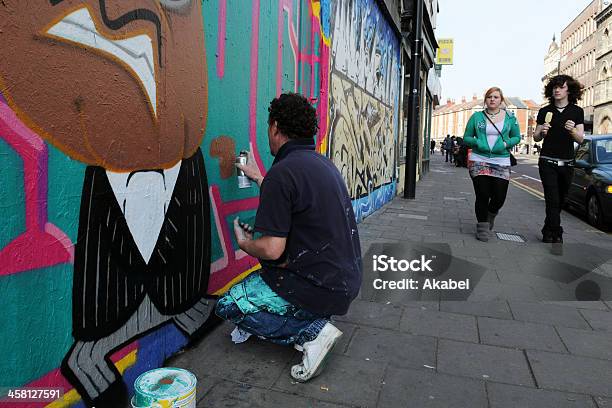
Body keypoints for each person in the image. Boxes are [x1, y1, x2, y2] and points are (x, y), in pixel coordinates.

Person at [215, 93, 363, 382]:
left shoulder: (283, 173)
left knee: (228, 304)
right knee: (264, 280)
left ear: (275, 127)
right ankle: (314, 317)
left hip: (317, 285)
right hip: (342, 282)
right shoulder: (321, 165)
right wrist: (261, 179)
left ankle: (312, 332)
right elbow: (297, 201)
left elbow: (271, 249)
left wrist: (245, 244)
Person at [463, 87, 521, 241]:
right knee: (482, 194)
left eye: (496, 97)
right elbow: (466, 137)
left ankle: (490, 215)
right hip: (479, 159)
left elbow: (517, 137)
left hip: (501, 160)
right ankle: (483, 227)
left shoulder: (510, 118)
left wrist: (506, 143)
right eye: (489, 97)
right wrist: (478, 142)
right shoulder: (476, 117)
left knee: (499, 197)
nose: (492, 99)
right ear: (486, 100)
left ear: (501, 100)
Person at [534, 75, 584, 243]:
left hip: (567, 163)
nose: (557, 90)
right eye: (554, 87)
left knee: (561, 200)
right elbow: (535, 137)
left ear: (568, 90)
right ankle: (555, 232)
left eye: (561, 87)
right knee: (552, 199)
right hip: (548, 161)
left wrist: (572, 131)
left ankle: (548, 228)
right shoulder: (544, 111)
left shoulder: (577, 111)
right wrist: (542, 132)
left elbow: (580, 139)